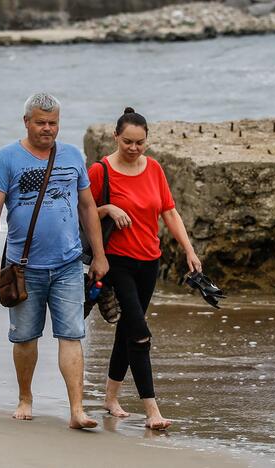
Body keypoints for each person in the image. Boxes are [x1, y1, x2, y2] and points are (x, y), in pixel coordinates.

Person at [0, 93, 109, 429]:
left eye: (53, 123)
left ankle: (77, 410)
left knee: (72, 335)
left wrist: (99, 254)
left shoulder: (71, 156)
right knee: (25, 337)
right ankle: (25, 397)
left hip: (67, 264)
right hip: (23, 268)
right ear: (27, 122)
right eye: (41, 122)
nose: (47, 129)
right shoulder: (7, 158)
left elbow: (86, 207)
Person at [89, 107, 201, 430]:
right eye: (127, 142)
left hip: (149, 262)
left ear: (147, 140)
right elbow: (82, 213)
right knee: (139, 335)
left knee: (127, 329)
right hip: (116, 262)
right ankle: (152, 410)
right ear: (115, 137)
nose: (134, 148)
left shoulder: (153, 168)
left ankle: (111, 398)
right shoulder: (101, 171)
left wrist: (189, 251)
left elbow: (169, 212)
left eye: (140, 142)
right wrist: (108, 208)